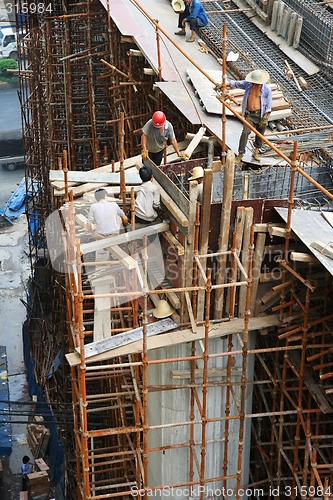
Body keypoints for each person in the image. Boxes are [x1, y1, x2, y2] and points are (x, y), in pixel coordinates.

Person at [226, 69, 272, 162]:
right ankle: (240, 153)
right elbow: (237, 83)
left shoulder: (267, 90)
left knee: (260, 134)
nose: (255, 84)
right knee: (245, 132)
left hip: (260, 114)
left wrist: (264, 118)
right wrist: (225, 84)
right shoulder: (248, 85)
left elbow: (268, 105)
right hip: (249, 114)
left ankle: (256, 152)